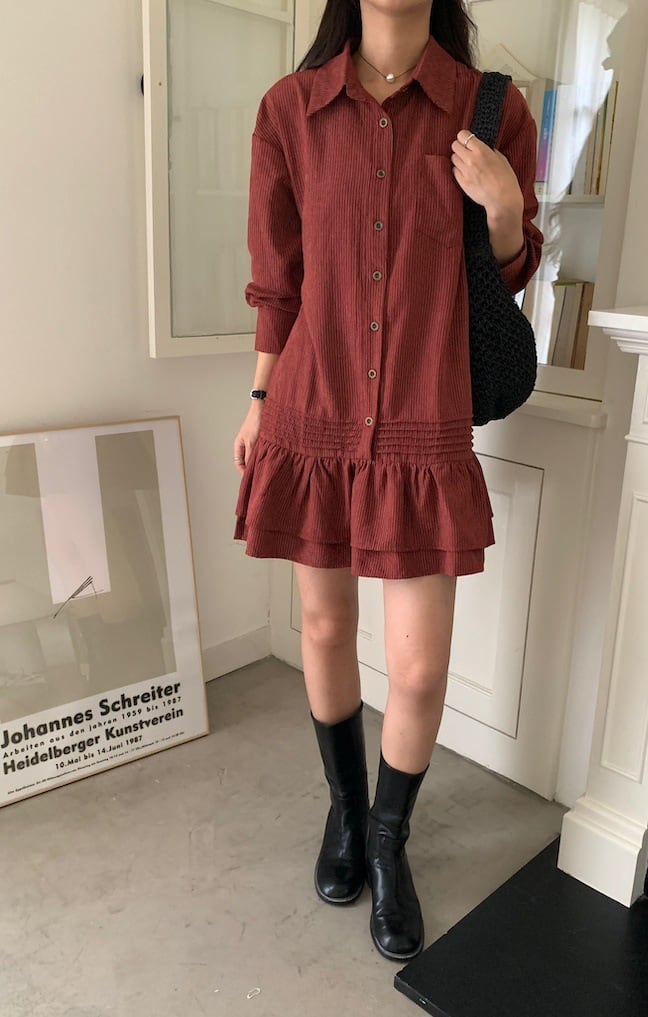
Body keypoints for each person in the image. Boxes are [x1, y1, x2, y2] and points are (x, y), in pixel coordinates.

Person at [232, 0, 543, 963]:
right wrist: (259, 400)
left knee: (417, 668)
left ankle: (387, 839)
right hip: (313, 412)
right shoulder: (290, 109)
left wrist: (503, 208)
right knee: (324, 629)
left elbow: (505, 275)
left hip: (421, 418)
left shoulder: (493, 109)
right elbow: (280, 282)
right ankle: (344, 809)